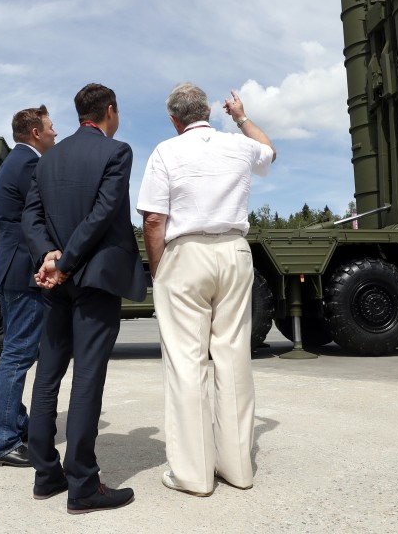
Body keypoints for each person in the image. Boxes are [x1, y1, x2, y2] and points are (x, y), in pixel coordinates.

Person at [136, 82, 275, 497]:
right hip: (234, 250)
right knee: (233, 357)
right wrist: (242, 117)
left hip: (186, 252)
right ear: (209, 112)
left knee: (186, 362)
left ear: (174, 119)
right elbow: (269, 152)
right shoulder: (237, 145)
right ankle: (237, 469)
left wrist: (160, 271)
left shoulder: (166, 151)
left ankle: (193, 474)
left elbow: (154, 220)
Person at [21, 83, 148, 514]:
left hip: (57, 281)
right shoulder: (117, 152)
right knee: (87, 378)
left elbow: (31, 215)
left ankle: (45, 474)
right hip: (92, 279)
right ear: (110, 110)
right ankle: (83, 484)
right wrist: (69, 260)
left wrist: (48, 256)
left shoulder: (48, 158)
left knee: (48, 374)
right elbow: (104, 212)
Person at [0, 105, 57, 468]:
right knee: (17, 355)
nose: (54, 133)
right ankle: (1, 441)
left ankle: (15, 425)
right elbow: (43, 215)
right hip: (21, 271)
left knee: (18, 352)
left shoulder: (14, 161)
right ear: (34, 132)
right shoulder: (29, 164)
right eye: (49, 127)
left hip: (10, 267)